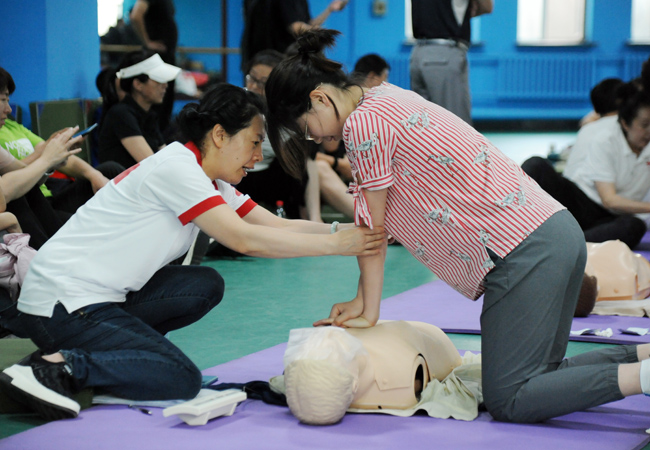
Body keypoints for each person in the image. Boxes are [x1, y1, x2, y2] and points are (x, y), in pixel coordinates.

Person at [264, 29, 650, 424]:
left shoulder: (361, 127)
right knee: (540, 376)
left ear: (319, 98)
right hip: (554, 231)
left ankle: (645, 377)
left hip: (523, 251)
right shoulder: (384, 96)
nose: (314, 138)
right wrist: (361, 302)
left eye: (306, 127)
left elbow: (371, 234)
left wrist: (369, 311)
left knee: (510, 398)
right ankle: (644, 358)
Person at [0, 83, 384, 421]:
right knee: (181, 378)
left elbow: (274, 225)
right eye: (253, 143)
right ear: (219, 135)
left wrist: (345, 231)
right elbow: (244, 240)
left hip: (93, 299)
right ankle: (52, 368)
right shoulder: (177, 169)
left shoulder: (208, 178)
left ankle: (123, 360)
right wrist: (336, 246)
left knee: (203, 284)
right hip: (61, 305)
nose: (257, 157)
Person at [522, 82, 650, 249]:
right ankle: (505, 224)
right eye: (644, 125)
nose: (649, 131)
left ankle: (564, 248)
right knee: (537, 165)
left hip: (608, 219)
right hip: (579, 202)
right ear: (625, 123)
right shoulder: (606, 139)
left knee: (634, 226)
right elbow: (609, 200)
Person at [274, 321, 476, 425]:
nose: (327, 339)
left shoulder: (311, 369)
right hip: (431, 338)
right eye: (332, 354)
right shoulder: (397, 378)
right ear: (354, 384)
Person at [0, 68, 122, 216]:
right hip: (26, 203)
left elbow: (48, 157)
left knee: (109, 169)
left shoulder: (12, 126)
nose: (8, 109)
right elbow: (13, 178)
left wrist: (93, 174)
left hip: (47, 195)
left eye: (8, 100)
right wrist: (45, 155)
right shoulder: (121, 113)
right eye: (3, 100)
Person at [409, 0, 493, 125]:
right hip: (443, 55)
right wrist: (467, 8)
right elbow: (487, 6)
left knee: (423, 125)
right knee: (454, 125)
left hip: (417, 54)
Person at [98, 52, 181, 169]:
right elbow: (152, 163)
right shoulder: (121, 114)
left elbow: (164, 155)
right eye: (158, 80)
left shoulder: (149, 115)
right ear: (138, 84)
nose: (165, 85)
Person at [130, 0, 178, 133]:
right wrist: (147, 42)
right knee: (157, 105)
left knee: (166, 102)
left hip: (166, 56)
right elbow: (136, 16)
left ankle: (161, 136)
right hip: (156, 58)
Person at [268, 0, 348, 54]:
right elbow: (295, 27)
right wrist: (318, 31)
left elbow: (310, 24)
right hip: (282, 52)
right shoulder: (285, 1)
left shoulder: (302, 1)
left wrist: (330, 9)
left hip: (297, 51)